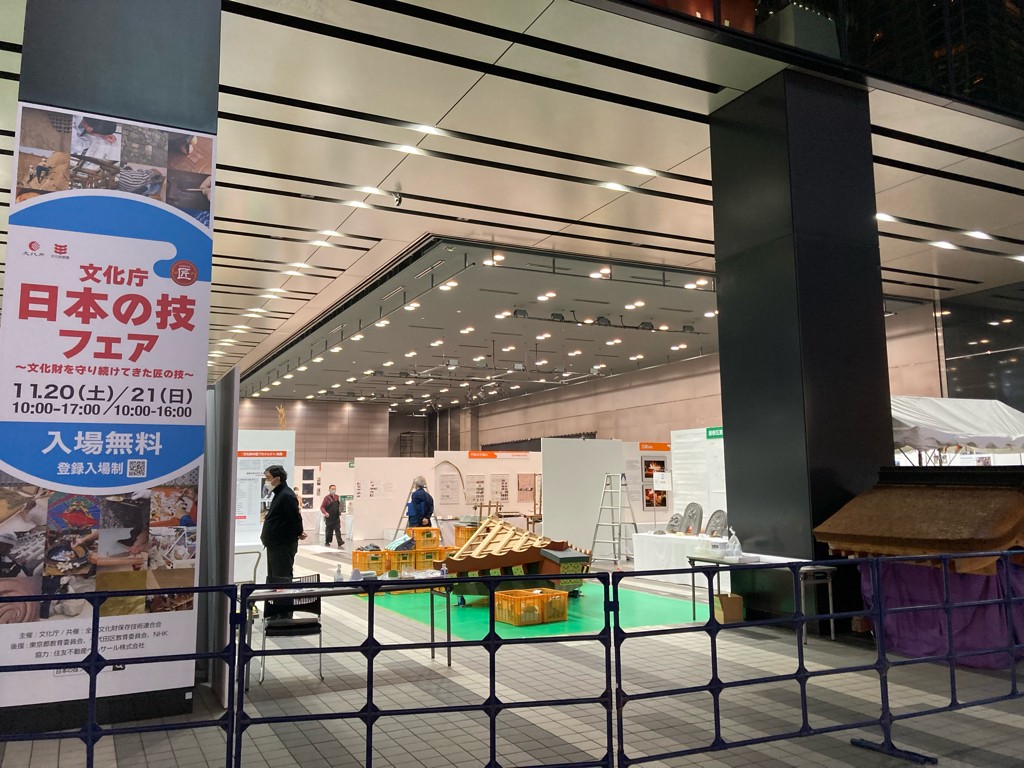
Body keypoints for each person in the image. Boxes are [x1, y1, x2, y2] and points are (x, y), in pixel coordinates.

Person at [260, 465, 306, 619]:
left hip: (282, 545)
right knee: (274, 580)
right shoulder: (279, 494)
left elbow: (295, 517)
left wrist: (298, 532)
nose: (266, 481)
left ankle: (285, 616)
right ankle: (275, 613)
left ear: (277, 478)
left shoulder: (286, 495)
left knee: (283, 580)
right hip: (274, 545)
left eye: (268, 478)